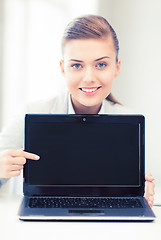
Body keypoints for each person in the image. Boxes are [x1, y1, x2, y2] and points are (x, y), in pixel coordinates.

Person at [0, 15, 155, 206]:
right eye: (76, 65)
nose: (89, 77)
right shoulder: (28, 113)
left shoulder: (129, 121)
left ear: (117, 67)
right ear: (63, 69)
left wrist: (140, 193)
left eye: (101, 64)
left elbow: (127, 187)